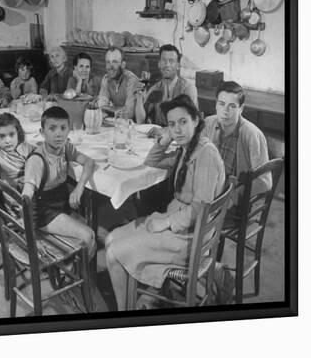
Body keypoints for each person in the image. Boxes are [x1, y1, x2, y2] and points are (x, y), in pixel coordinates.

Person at [105, 94, 225, 310]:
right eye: (172, 124)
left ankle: (124, 313)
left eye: (182, 122)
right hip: (179, 224)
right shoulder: (187, 148)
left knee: (113, 253)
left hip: (191, 237)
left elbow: (200, 207)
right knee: (110, 239)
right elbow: (152, 162)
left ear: (196, 121)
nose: (177, 129)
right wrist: (165, 139)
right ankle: (134, 302)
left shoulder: (206, 153)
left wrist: (167, 222)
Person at [22, 106, 96, 257]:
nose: (58, 134)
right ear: (42, 132)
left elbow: (89, 162)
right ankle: (79, 275)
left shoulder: (65, 148)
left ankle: (79, 269)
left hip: (61, 203)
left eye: (63, 128)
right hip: (43, 211)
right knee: (89, 235)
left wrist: (79, 187)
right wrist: (32, 237)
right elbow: (25, 200)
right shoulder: (37, 160)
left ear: (69, 130)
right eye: (52, 128)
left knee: (96, 232)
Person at [204, 81, 271, 196]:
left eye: (232, 106)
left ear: (241, 108)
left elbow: (264, 182)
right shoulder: (208, 123)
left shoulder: (252, 134)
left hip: (232, 197)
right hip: (207, 189)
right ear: (216, 104)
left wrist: (234, 196)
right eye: (221, 104)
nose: (225, 111)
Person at [138, 44, 198, 133]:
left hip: (180, 139)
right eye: (164, 60)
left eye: (171, 61)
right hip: (159, 139)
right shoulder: (155, 89)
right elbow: (141, 121)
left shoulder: (188, 88)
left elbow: (188, 122)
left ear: (178, 65)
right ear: (159, 63)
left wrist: (163, 131)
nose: (167, 65)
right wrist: (139, 97)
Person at [0, 112, 36, 190]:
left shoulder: (29, 149)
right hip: (15, 195)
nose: (7, 141)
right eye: (2, 136)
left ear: (18, 133)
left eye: (12, 135)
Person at [97, 47, 143, 118]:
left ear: (123, 65)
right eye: (108, 62)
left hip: (132, 125)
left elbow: (129, 113)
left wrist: (109, 109)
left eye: (114, 62)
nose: (110, 67)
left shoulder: (131, 80)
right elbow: (100, 106)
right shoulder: (106, 79)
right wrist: (118, 110)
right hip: (116, 123)